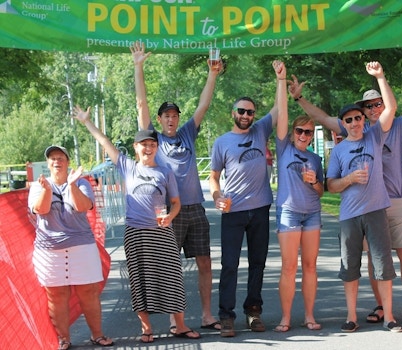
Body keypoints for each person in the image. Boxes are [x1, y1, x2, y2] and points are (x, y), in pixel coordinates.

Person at [289, 67, 402, 328]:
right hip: (365, 205)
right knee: (374, 260)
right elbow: (323, 118)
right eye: (368, 106)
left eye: (378, 103)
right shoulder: (355, 132)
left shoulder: (394, 125)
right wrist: (299, 99)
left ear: (384, 104)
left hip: (395, 199)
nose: (373, 108)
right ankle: (380, 306)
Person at [74, 106, 200, 342]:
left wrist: (170, 217)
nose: (148, 148)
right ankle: (147, 329)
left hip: (162, 232)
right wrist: (87, 122)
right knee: (140, 279)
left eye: (152, 144)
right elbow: (105, 142)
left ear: (157, 148)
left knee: (172, 277)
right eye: (144, 144)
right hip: (136, 233)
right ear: (136, 148)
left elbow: (175, 202)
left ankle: (180, 325)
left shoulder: (165, 173)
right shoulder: (127, 167)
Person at [130, 41, 222, 332]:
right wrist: (138, 67)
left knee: (205, 261)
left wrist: (212, 75)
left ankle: (207, 315)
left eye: (174, 115)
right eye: (166, 116)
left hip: (195, 207)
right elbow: (141, 105)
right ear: (159, 121)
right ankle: (175, 320)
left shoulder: (187, 134)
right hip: (169, 212)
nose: (171, 119)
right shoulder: (154, 141)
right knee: (172, 269)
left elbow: (203, 105)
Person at [326, 61, 402, 333]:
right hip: (349, 216)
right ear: (344, 124)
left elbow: (391, 108)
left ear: (363, 120)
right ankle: (351, 317)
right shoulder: (337, 151)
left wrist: (381, 76)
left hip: (375, 211)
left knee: (383, 265)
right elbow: (331, 186)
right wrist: (349, 179)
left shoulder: (374, 137)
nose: (355, 122)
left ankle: (389, 317)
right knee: (350, 268)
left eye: (358, 117)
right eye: (349, 120)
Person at [208, 60, 282, 337]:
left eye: (250, 112)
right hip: (233, 210)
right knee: (229, 264)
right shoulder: (222, 141)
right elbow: (214, 175)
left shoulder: (261, 131)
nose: (246, 115)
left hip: (260, 208)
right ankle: (226, 316)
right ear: (233, 113)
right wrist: (216, 195)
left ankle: (254, 311)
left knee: (258, 263)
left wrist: (280, 79)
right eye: (241, 111)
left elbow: (278, 109)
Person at [28, 145, 114, 350]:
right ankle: (63, 339)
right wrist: (48, 190)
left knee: (88, 293)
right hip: (49, 251)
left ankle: (97, 335)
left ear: (67, 162)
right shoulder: (39, 185)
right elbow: (41, 209)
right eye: (52, 158)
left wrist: (73, 185)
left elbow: (83, 206)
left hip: (81, 247)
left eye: (60, 158)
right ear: (48, 164)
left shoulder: (81, 183)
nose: (56, 161)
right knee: (57, 296)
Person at [274, 61, 324, 333]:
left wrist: (315, 181)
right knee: (289, 266)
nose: (304, 135)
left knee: (310, 266)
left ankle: (309, 316)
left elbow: (321, 191)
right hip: (289, 212)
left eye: (309, 132)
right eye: (300, 131)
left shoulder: (315, 158)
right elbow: (282, 114)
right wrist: (281, 81)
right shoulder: (284, 148)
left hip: (312, 213)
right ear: (292, 133)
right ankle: (285, 318)